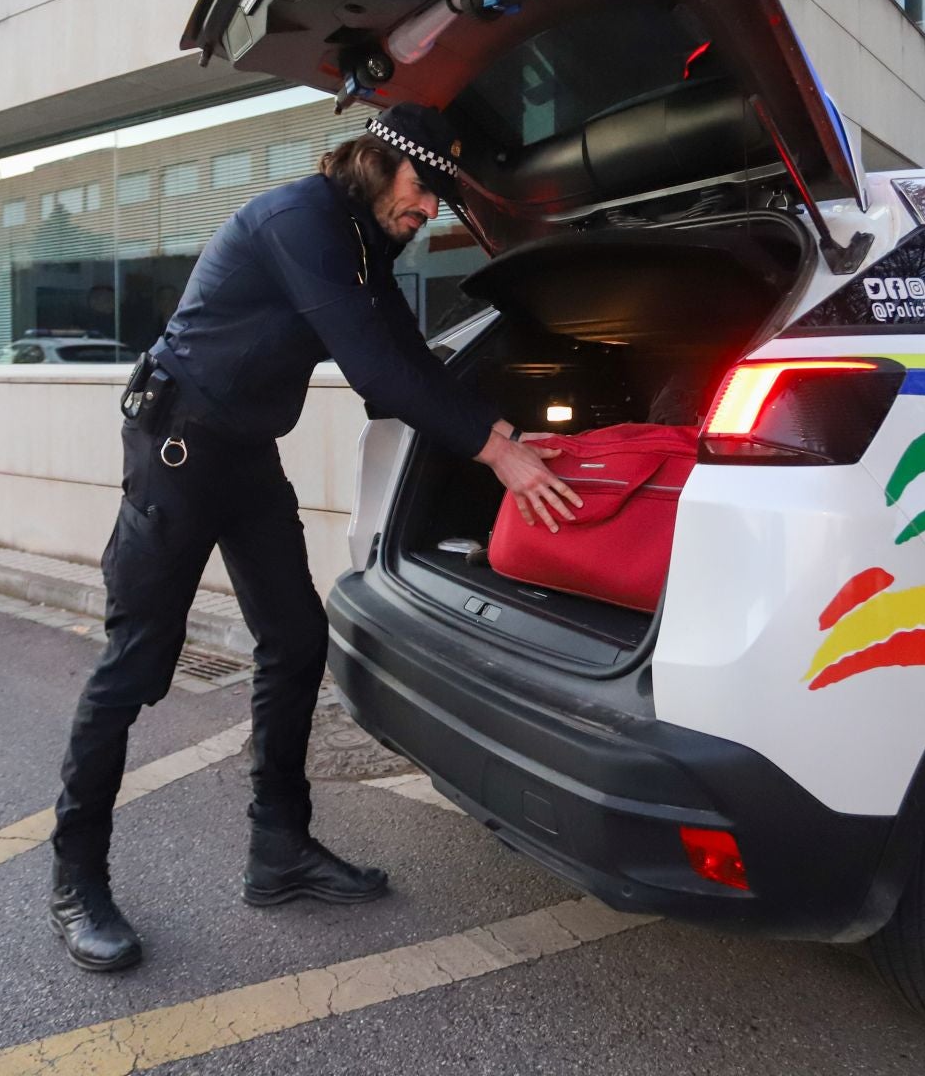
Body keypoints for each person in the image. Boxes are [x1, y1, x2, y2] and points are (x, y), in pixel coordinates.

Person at [48, 103, 581, 972]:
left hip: (245, 452)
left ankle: (279, 849)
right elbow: (372, 368)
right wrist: (496, 454)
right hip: (179, 447)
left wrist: (507, 433)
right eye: (424, 188)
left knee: (297, 643)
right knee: (135, 665)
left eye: (442, 195)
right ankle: (76, 881)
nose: (432, 209)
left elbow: (404, 354)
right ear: (378, 164)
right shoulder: (302, 220)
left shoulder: (366, 242)